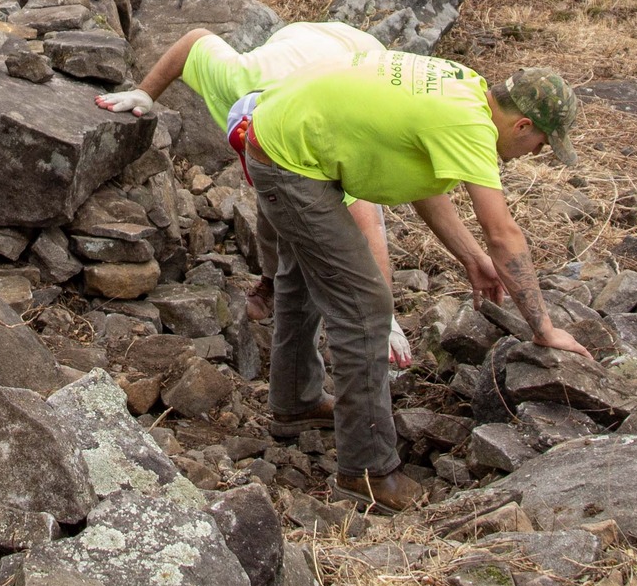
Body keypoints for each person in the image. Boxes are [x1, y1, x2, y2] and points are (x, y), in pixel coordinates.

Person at [104, 28, 584, 513]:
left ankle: (294, 404)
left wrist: (468, 257)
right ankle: (369, 470)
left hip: (289, 137)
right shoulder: (471, 125)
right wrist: (543, 329)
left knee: (299, 277)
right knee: (365, 307)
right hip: (289, 158)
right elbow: (504, 235)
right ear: (522, 125)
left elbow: (425, 183)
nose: (537, 154)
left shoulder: (466, 90)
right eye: (542, 144)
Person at [102, 22, 414, 368]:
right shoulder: (237, 80)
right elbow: (194, 40)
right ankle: (272, 280)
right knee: (275, 198)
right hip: (300, 49)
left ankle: (299, 297)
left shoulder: (337, 135)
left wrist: (386, 319)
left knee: (327, 210)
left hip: (364, 63)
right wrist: (145, 93)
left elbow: (371, 226)